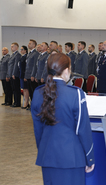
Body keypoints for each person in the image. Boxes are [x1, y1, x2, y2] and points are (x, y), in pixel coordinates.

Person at [31, 53, 94, 185]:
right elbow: (83, 129)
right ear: (66, 70)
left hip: (47, 156)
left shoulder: (37, 93)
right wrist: (90, 158)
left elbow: (38, 131)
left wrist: (44, 150)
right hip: (72, 158)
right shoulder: (75, 93)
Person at [24, 39, 39, 105]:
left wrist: (33, 75)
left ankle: (35, 105)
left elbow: (35, 65)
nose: (28, 44)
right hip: (28, 75)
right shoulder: (29, 54)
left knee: (33, 91)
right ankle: (32, 104)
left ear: (34, 45)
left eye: (30, 43)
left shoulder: (36, 53)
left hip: (31, 75)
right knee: (30, 91)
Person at [8, 42, 21, 107]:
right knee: (13, 89)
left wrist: (13, 74)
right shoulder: (12, 55)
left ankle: (17, 103)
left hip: (14, 75)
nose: (11, 47)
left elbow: (16, 65)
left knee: (16, 89)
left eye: (12, 46)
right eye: (11, 46)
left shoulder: (17, 55)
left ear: (16, 47)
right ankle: (15, 102)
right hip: (11, 74)